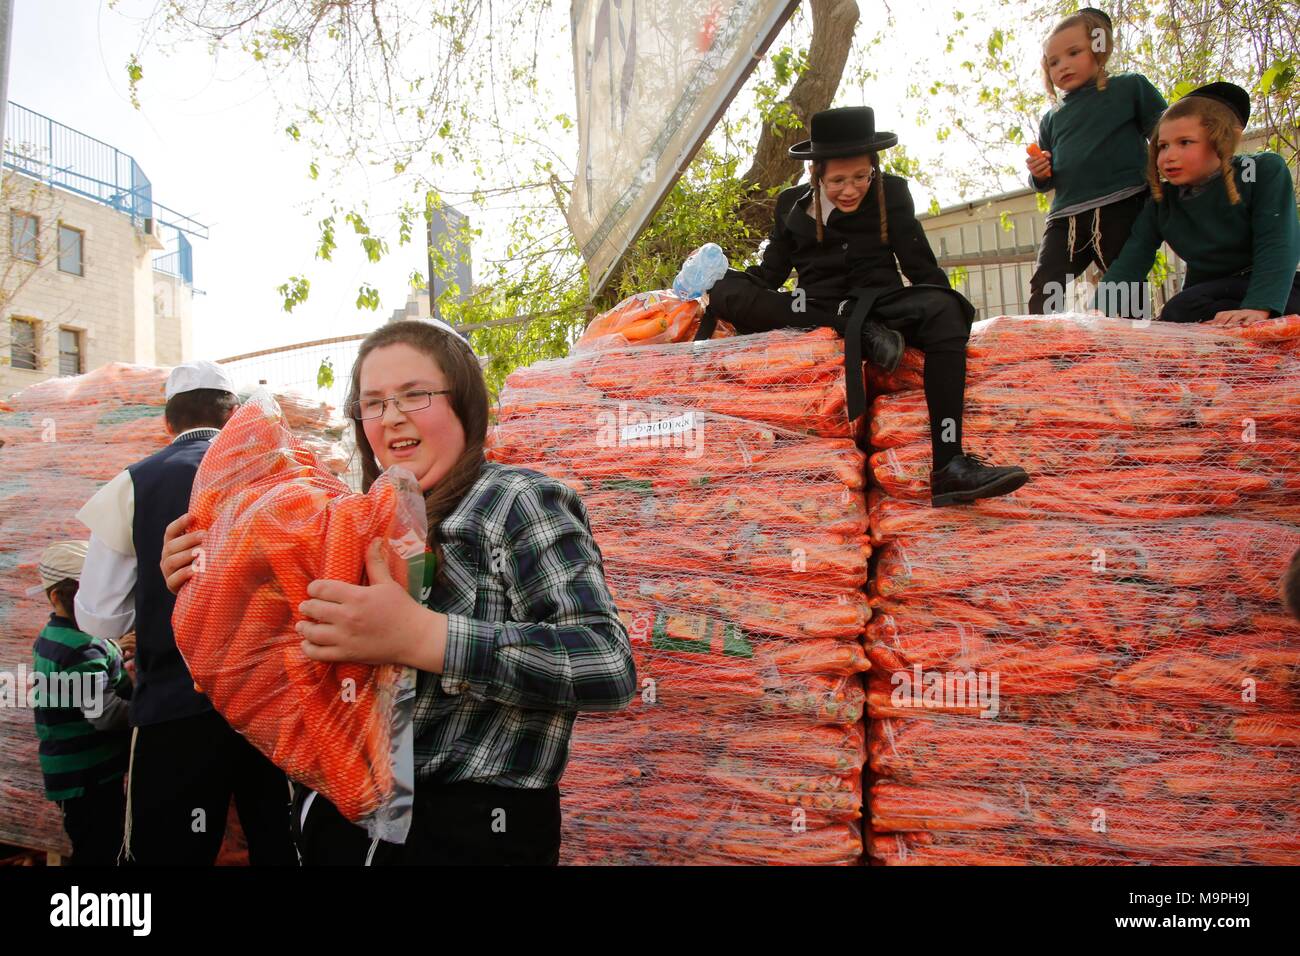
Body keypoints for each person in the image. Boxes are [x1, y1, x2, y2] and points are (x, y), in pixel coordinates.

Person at [161, 319, 638, 865]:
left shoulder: (516, 502)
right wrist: (211, 577)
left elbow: (607, 664)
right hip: (341, 821)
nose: (392, 416)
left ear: (464, 404)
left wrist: (422, 637)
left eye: (416, 395)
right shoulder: (348, 520)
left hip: (473, 835)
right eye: (373, 403)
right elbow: (286, 664)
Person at [696, 105, 1029, 507]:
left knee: (944, 307)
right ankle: (854, 326)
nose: (850, 189)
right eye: (838, 180)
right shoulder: (790, 206)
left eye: (860, 177)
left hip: (884, 305)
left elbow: (921, 268)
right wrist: (717, 281)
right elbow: (769, 275)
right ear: (815, 174)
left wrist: (955, 327)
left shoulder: (892, 193)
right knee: (730, 289)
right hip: (815, 308)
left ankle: (949, 465)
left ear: (874, 167)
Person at [75, 360, 297, 866]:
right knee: (281, 843)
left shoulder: (132, 485)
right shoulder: (276, 475)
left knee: (168, 854)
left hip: (173, 709)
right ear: (234, 414)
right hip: (268, 707)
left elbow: (99, 618)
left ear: (166, 423)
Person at [1097, 82, 1300, 324]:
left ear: (1220, 142)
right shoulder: (1163, 201)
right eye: (1163, 146)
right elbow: (1133, 259)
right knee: (1177, 313)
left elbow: (1277, 243)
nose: (1169, 156)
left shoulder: (1261, 171)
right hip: (1208, 295)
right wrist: (1097, 313)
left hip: (1276, 290)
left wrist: (1259, 307)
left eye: (1185, 142)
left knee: (1182, 310)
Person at [1025, 7, 1166, 315]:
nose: (1063, 66)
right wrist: (1038, 174)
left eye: (1074, 52)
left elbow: (1165, 135)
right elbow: (1044, 180)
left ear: (1100, 48)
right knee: (1045, 284)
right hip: (1065, 217)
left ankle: (1133, 350)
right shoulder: (1052, 118)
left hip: (1122, 204)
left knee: (1123, 285)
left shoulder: (1130, 87)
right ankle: (1041, 349)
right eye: (1053, 62)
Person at [29, 541, 132, 865]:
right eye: (83, 592)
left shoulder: (53, 636)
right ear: (58, 597)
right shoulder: (82, 648)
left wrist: (113, 650)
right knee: (100, 849)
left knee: (91, 843)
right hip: (88, 777)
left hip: (73, 774)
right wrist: (152, 710)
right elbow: (106, 715)